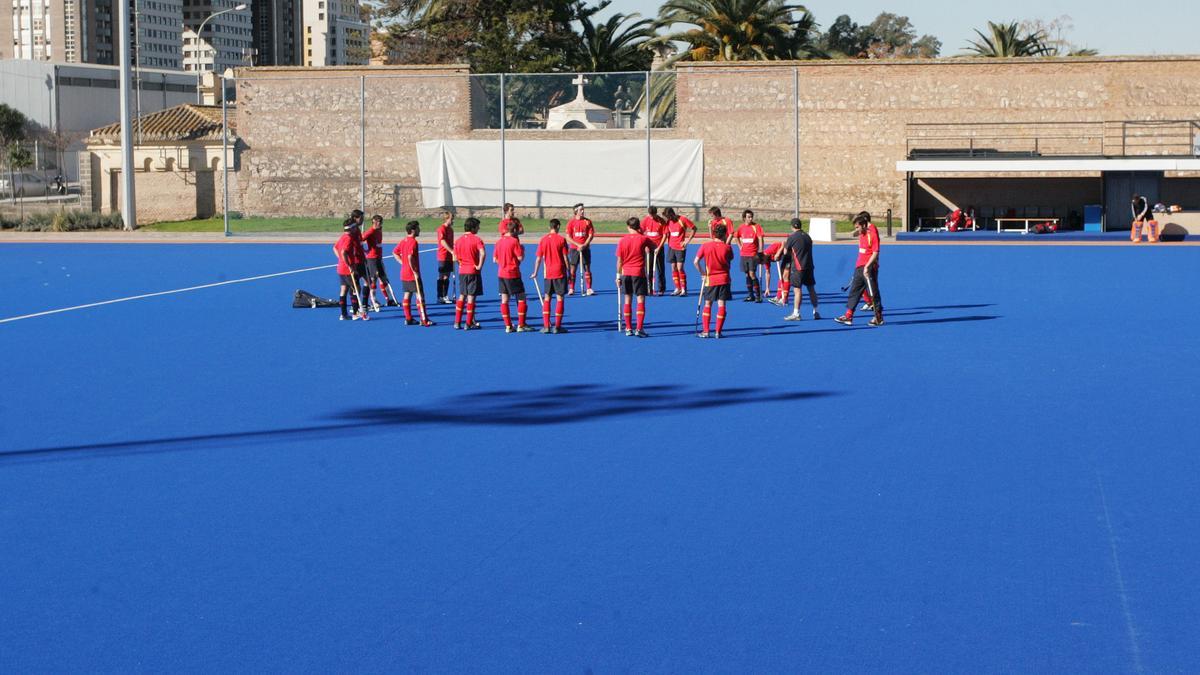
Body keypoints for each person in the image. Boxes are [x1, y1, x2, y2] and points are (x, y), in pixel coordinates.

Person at [835, 212, 883, 327]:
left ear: (864, 225)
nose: (856, 230)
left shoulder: (872, 233)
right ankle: (848, 316)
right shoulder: (861, 234)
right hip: (859, 267)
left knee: (873, 292)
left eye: (857, 227)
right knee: (854, 291)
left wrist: (868, 266)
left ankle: (878, 317)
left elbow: (876, 252)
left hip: (869, 268)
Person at [494, 220, 535, 333]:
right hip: (513, 273)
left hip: (501, 273)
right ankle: (521, 324)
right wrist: (522, 250)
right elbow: (520, 258)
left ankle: (508, 326)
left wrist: (503, 263)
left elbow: (495, 259)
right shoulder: (514, 241)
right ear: (515, 230)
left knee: (504, 300)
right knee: (521, 297)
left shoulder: (498, 242)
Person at [391, 220, 435, 326]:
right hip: (412, 274)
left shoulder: (404, 240)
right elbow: (410, 257)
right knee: (420, 296)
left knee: (407, 294)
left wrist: (403, 263)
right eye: (418, 228)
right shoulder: (413, 242)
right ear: (413, 230)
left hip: (404, 272)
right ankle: (424, 320)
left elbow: (394, 252)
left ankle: (408, 318)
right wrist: (414, 271)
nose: (420, 230)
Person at [693, 223, 734, 338]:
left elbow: (695, 261)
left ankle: (706, 331)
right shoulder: (727, 247)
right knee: (721, 305)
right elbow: (730, 258)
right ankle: (718, 332)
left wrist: (702, 273)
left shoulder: (705, 246)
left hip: (710, 279)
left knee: (708, 304)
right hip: (724, 279)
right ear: (725, 234)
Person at [616, 217, 653, 337]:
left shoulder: (622, 240)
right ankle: (639, 328)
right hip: (638, 273)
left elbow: (619, 260)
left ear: (628, 227)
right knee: (640, 300)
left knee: (627, 300)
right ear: (638, 227)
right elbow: (654, 246)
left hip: (626, 273)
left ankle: (628, 328)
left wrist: (618, 275)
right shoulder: (643, 238)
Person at [532, 219, 571, 334]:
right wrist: (569, 272)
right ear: (558, 226)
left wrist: (535, 272)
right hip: (560, 272)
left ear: (550, 227)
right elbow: (565, 258)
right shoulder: (561, 240)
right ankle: (557, 327)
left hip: (547, 273)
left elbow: (538, 258)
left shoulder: (543, 240)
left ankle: (546, 326)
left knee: (547, 298)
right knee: (560, 298)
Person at [778, 218, 820, 321]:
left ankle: (796, 313)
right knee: (811, 289)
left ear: (792, 226)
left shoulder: (792, 237)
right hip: (809, 266)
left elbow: (785, 252)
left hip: (798, 267)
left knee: (797, 290)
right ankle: (816, 311)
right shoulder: (808, 237)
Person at [452, 217, 486, 330]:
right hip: (473, 271)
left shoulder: (458, 240)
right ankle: (468, 323)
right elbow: (483, 253)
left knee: (462, 296)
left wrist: (459, 264)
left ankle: (457, 322)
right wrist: (479, 266)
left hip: (462, 271)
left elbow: (454, 257)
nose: (479, 228)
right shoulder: (477, 240)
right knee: (471, 297)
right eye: (477, 227)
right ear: (473, 228)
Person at [333, 218, 369, 321]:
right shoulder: (348, 238)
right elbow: (344, 252)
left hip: (340, 268)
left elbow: (335, 248)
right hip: (347, 269)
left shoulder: (343, 237)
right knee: (356, 289)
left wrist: (341, 260)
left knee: (343, 290)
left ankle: (343, 314)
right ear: (352, 228)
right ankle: (355, 312)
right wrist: (349, 264)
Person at [361, 214, 399, 310]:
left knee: (383, 278)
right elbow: (359, 241)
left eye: (380, 222)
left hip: (379, 258)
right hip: (372, 258)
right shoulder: (370, 232)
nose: (379, 224)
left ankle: (389, 299)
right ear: (373, 223)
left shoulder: (379, 230)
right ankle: (373, 300)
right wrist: (365, 251)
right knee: (374, 278)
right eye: (377, 222)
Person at [665, 207, 696, 295]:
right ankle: (677, 288)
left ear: (672, 214)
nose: (668, 218)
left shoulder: (682, 219)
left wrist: (687, 241)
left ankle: (684, 289)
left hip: (680, 248)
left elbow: (694, 228)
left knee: (680, 268)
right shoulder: (668, 221)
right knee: (673, 267)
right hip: (671, 247)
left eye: (668, 216)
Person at [735, 209, 764, 302]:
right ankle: (750, 295)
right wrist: (740, 247)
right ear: (744, 218)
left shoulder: (756, 227)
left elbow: (760, 238)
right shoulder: (741, 227)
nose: (750, 218)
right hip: (744, 254)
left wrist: (760, 251)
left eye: (751, 217)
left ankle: (758, 295)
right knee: (747, 275)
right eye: (748, 217)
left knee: (752, 274)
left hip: (753, 254)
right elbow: (736, 237)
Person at [566, 203, 595, 296]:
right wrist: (578, 245)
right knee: (573, 269)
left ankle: (589, 288)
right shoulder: (571, 223)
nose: (582, 211)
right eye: (580, 210)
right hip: (574, 249)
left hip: (585, 249)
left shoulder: (587, 222)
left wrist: (584, 245)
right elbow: (568, 237)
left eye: (583, 209)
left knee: (587, 268)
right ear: (576, 211)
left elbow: (590, 235)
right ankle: (571, 288)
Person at [641, 206, 667, 295]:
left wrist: (659, 247)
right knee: (648, 270)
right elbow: (641, 233)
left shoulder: (661, 221)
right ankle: (649, 288)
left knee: (660, 269)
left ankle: (661, 289)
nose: (652, 217)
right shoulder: (645, 220)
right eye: (650, 215)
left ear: (656, 213)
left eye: (653, 215)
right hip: (648, 248)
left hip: (659, 248)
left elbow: (665, 235)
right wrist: (645, 246)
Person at [434, 210, 456, 302]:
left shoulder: (451, 230)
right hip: (443, 255)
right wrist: (451, 251)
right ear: (446, 219)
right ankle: (440, 296)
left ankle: (445, 295)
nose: (453, 221)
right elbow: (442, 241)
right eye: (451, 219)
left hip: (449, 256)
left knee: (447, 276)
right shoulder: (441, 229)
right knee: (442, 276)